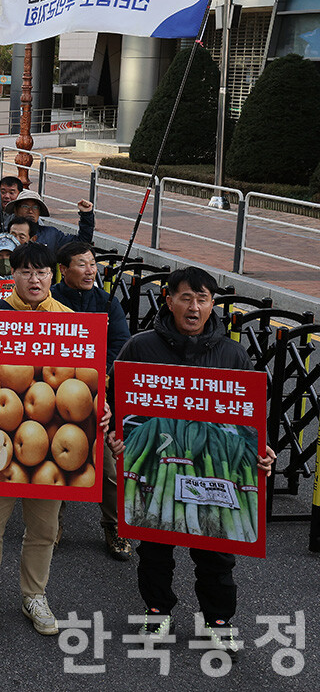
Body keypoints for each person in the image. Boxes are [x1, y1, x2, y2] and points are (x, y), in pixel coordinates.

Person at [107, 267, 275, 653]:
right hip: (155, 468)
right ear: (168, 300)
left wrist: (260, 454)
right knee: (154, 545)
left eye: (202, 299)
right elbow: (116, 402)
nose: (194, 307)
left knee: (216, 550)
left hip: (214, 473)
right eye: (185, 297)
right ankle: (156, 609)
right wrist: (116, 435)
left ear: (213, 305)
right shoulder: (140, 347)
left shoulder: (232, 353)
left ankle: (218, 620)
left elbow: (250, 418)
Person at [0, 242, 94, 636]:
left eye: (43, 272)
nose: (35, 279)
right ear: (12, 274)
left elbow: (88, 381)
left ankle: (35, 594)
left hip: (51, 439)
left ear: (54, 276)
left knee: (44, 529)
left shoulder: (72, 321)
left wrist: (100, 407)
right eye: (27, 271)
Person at [50, 240, 133, 562]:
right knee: (55, 463)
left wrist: (95, 377)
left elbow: (120, 345)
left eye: (93, 263)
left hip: (99, 398)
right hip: (54, 396)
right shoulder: (50, 300)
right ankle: (51, 524)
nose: (90, 270)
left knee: (110, 471)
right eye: (81, 264)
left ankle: (113, 526)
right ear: (63, 269)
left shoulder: (107, 302)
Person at [6, 190, 94, 250]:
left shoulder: (51, 234)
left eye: (35, 207)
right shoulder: (4, 234)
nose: (30, 211)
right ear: (16, 210)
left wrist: (86, 215)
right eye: (25, 206)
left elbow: (82, 243)